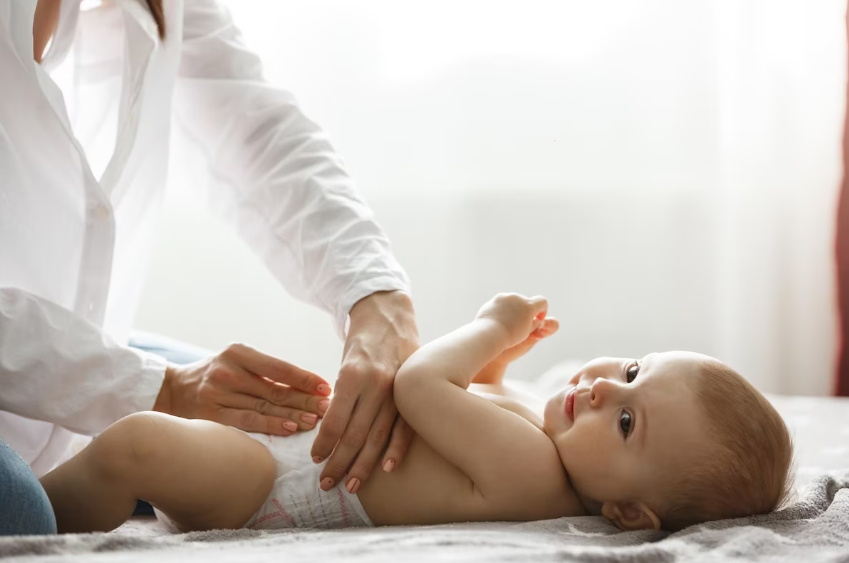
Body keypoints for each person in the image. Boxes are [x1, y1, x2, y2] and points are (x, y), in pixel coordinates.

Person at [0, 0, 419, 535]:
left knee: (268, 434)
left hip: (49, 340)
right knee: (21, 510)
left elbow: (255, 132)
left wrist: (377, 298)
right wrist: (162, 389)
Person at [40, 293, 794, 533]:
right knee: (155, 373)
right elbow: (473, 402)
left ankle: (35, 517)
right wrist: (501, 371)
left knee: (136, 443)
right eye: (632, 370)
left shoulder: (535, 473)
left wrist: (491, 329)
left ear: (628, 510)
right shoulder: (546, 435)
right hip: (294, 446)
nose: (602, 390)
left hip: (273, 487)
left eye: (626, 420)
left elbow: (420, 386)